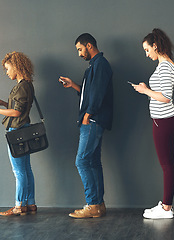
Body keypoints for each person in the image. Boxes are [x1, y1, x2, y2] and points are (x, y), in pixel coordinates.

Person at [59, 33, 114, 218]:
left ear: (89, 45)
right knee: (93, 162)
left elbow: (97, 95)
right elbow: (89, 93)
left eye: (80, 49)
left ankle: (92, 204)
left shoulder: (100, 65)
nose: (79, 54)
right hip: (93, 120)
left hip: (92, 121)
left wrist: (88, 115)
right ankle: (98, 205)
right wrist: (73, 85)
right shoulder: (94, 66)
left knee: (82, 161)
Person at [130, 28, 174, 219]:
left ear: (155, 46)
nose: (146, 53)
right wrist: (147, 89)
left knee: (167, 165)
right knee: (168, 164)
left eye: (147, 49)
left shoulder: (166, 66)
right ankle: (166, 205)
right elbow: (161, 93)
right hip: (164, 120)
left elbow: (166, 97)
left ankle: (166, 208)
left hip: (164, 121)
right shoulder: (163, 65)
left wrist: (145, 91)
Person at [0, 51, 37, 216]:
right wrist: (1, 102)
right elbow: (19, 106)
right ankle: (30, 204)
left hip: (17, 131)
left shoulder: (22, 86)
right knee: (26, 169)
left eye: (8, 68)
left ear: (16, 66)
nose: (7, 72)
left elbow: (16, 112)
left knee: (19, 171)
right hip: (24, 129)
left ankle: (18, 206)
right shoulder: (27, 84)